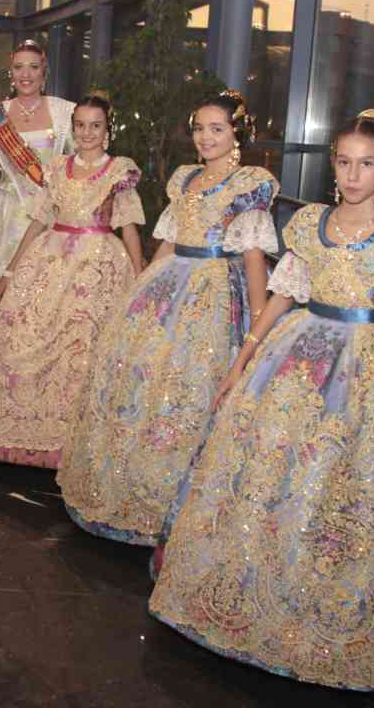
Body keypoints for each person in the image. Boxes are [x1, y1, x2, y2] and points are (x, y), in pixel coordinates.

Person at [149, 109, 374, 692]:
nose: (353, 174)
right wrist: (243, 359)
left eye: (366, 163)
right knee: (275, 471)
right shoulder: (310, 222)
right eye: (343, 162)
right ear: (332, 164)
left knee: (351, 481)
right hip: (302, 358)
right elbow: (281, 297)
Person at [58, 90, 278, 544]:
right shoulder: (184, 178)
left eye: (217, 129)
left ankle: (179, 505)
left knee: (193, 385)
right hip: (172, 283)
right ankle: (127, 489)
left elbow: (254, 258)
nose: (205, 137)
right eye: (199, 129)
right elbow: (170, 242)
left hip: (216, 292)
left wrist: (259, 328)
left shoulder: (247, 185)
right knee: (141, 376)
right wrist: (142, 290)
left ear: (237, 134)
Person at [0, 95, 145, 468]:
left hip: (97, 269)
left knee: (83, 350)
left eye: (95, 125)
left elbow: (128, 227)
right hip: (50, 258)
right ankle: (26, 433)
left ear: (107, 130)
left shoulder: (118, 171)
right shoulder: (58, 167)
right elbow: (38, 220)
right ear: (73, 128)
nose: (87, 132)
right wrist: (11, 271)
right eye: (81, 125)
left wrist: (140, 277)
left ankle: (71, 440)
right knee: (23, 336)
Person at [0, 40, 76, 278]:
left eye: (33, 67)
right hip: (5, 214)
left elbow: (76, 166)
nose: (25, 75)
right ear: (12, 72)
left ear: (44, 72)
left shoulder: (63, 112)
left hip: (50, 210)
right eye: (19, 67)